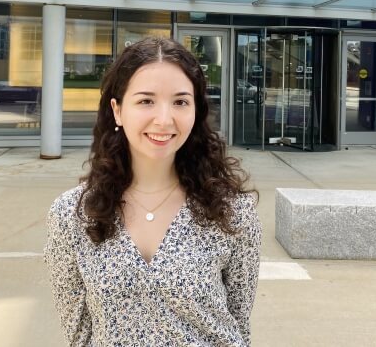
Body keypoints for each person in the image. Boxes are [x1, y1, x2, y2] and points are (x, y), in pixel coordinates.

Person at [45, 36, 261, 346]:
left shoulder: (233, 212)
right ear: (118, 111)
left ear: (196, 112)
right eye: (146, 100)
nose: (164, 119)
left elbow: (238, 324)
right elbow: (79, 333)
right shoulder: (72, 214)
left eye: (180, 102)